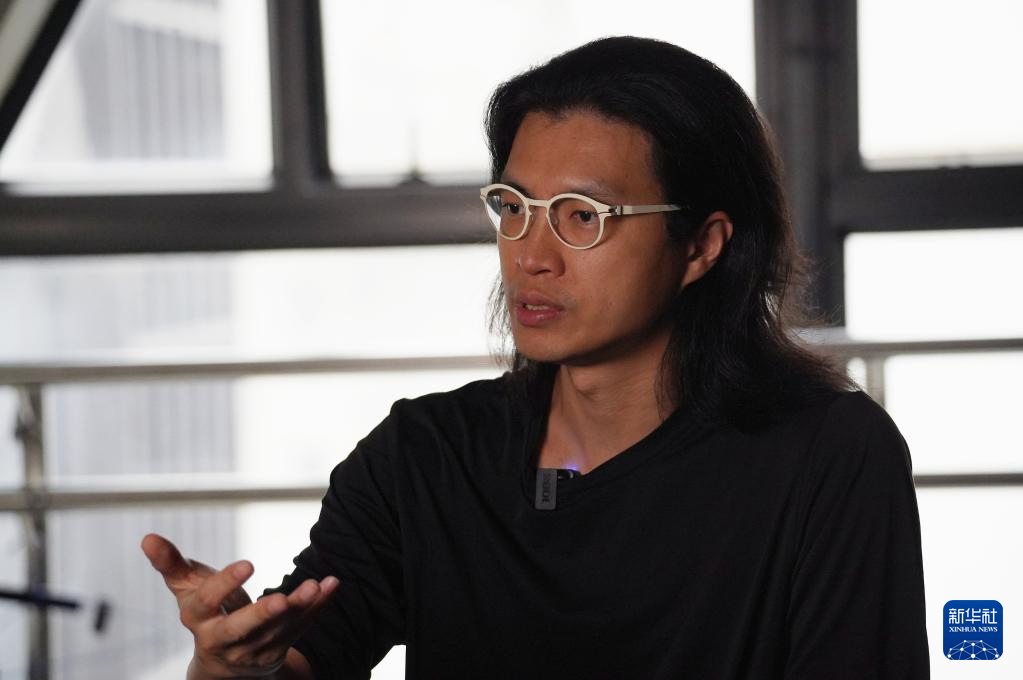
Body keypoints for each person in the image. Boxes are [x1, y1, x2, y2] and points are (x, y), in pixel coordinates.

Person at [142, 36, 930, 679]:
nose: (530, 254)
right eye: (513, 207)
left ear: (700, 245)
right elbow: (301, 658)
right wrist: (230, 666)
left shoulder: (828, 455)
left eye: (582, 216)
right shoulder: (425, 454)